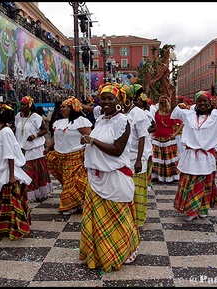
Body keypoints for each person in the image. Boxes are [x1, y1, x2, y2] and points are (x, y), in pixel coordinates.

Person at [79, 82, 140, 273]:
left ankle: (127, 249)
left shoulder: (122, 121)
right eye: (103, 98)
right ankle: (100, 252)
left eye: (110, 98)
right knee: (97, 219)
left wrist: (93, 140)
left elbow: (117, 150)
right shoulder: (101, 120)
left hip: (114, 177)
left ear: (119, 101)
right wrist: (88, 142)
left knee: (119, 217)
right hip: (96, 177)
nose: (105, 102)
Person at [171, 85, 217, 222]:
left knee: (206, 183)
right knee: (190, 183)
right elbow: (175, 110)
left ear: (209, 103)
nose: (202, 103)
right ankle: (190, 210)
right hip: (190, 156)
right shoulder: (189, 114)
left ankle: (203, 209)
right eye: (199, 101)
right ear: (196, 103)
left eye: (205, 101)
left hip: (206, 156)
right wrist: (172, 94)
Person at [0, 103, 32, 241]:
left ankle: (5, 229)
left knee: (6, 204)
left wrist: (11, 176)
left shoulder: (6, 132)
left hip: (6, 173)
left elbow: (10, 155)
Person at [44, 96, 92, 215]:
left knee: (72, 182)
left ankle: (68, 205)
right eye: (61, 107)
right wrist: (48, 148)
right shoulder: (60, 122)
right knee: (68, 182)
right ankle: (78, 203)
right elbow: (55, 137)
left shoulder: (81, 122)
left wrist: (89, 156)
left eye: (64, 107)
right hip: (61, 157)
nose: (62, 109)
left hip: (76, 156)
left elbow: (89, 139)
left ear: (71, 108)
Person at [121, 84, 151, 227]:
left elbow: (142, 137)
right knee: (125, 189)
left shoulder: (137, 113)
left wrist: (139, 160)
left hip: (136, 159)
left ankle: (137, 220)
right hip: (123, 158)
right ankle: (127, 218)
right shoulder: (121, 112)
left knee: (137, 191)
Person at [14, 96, 53, 202]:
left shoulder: (35, 117)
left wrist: (35, 135)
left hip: (35, 150)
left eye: (24, 105)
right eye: (21, 104)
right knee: (23, 172)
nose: (21, 107)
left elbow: (45, 130)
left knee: (32, 173)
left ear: (30, 106)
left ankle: (38, 193)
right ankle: (25, 194)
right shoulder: (18, 116)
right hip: (21, 149)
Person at [151, 94, 182, 183]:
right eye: (160, 103)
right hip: (157, 138)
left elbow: (181, 122)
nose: (161, 105)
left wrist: (175, 133)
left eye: (163, 103)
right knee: (158, 159)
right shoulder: (156, 112)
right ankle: (157, 176)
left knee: (169, 159)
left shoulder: (171, 113)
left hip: (169, 139)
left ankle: (171, 177)